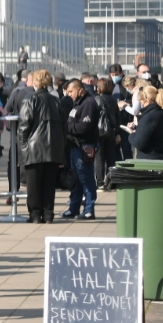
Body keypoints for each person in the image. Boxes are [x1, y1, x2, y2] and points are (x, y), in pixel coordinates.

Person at [17, 70, 66, 223]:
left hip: (34, 147)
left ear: (36, 82)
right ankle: (48, 213)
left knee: (33, 185)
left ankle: (35, 214)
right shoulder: (56, 100)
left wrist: (23, 146)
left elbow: (24, 126)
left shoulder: (30, 99)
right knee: (49, 183)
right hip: (53, 147)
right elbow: (63, 125)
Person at [61, 78, 101, 220]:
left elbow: (84, 127)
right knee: (76, 179)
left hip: (85, 146)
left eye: (71, 91)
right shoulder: (77, 103)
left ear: (80, 90)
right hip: (75, 146)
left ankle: (89, 209)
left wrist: (67, 127)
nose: (69, 94)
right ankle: (74, 208)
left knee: (86, 178)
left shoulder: (88, 103)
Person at [129, 82, 163, 161]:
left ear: (147, 101)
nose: (141, 105)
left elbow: (139, 143)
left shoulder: (149, 117)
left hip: (149, 161)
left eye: (141, 102)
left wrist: (131, 135)